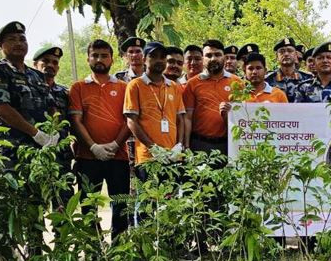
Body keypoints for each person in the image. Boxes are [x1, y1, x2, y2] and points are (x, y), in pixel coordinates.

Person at [68, 39, 132, 237]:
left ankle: (120, 249)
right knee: (89, 205)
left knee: (121, 205)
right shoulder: (78, 87)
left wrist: (114, 145)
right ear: (88, 58)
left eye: (104, 55)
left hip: (118, 156)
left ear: (112, 59)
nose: (99, 59)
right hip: (88, 158)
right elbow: (76, 120)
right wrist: (93, 146)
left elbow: (128, 119)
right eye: (95, 55)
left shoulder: (124, 87)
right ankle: (94, 251)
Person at [0, 21, 58, 163]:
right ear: (1, 45)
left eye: (22, 39)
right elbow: (2, 108)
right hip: (9, 149)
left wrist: (54, 130)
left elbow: (52, 106)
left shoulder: (37, 75)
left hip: (40, 149)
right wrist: (36, 133)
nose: (18, 43)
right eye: (12, 39)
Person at [123, 41, 187, 176]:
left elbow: (180, 118)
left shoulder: (174, 87)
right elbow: (131, 122)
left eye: (162, 57)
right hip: (148, 158)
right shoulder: (135, 85)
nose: (159, 60)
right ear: (144, 59)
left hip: (172, 156)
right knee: (150, 197)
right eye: (154, 56)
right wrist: (154, 148)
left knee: (173, 196)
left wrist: (179, 145)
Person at [184, 39, 243, 155]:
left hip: (227, 144)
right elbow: (187, 117)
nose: (213, 59)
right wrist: (186, 145)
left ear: (224, 58)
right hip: (199, 144)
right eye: (208, 55)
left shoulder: (238, 83)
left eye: (217, 55)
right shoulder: (192, 83)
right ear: (203, 59)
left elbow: (242, 116)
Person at [32, 45, 73, 205]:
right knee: (35, 206)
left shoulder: (64, 92)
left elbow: (73, 123)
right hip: (35, 155)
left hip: (61, 157)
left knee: (64, 205)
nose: (50, 65)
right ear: (35, 64)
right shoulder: (28, 89)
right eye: (46, 61)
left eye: (55, 62)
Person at [266, 37, 313, 102]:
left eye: (290, 51)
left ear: (296, 55)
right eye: (282, 52)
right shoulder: (267, 80)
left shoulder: (308, 78)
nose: (286, 54)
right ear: (276, 56)